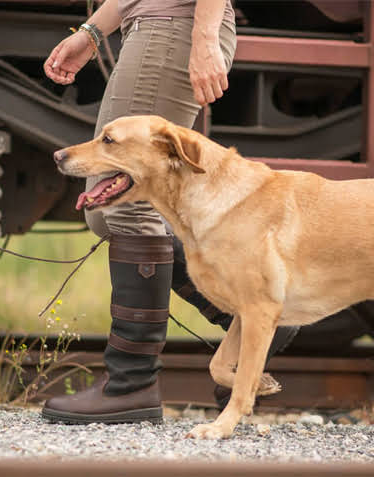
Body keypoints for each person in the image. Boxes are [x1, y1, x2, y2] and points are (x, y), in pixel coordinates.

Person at [41, 0, 299, 424]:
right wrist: (92, 32)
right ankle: (249, 313)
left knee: (128, 210)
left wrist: (204, 36)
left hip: (172, 25)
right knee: (106, 213)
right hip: (155, 23)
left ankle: (131, 384)